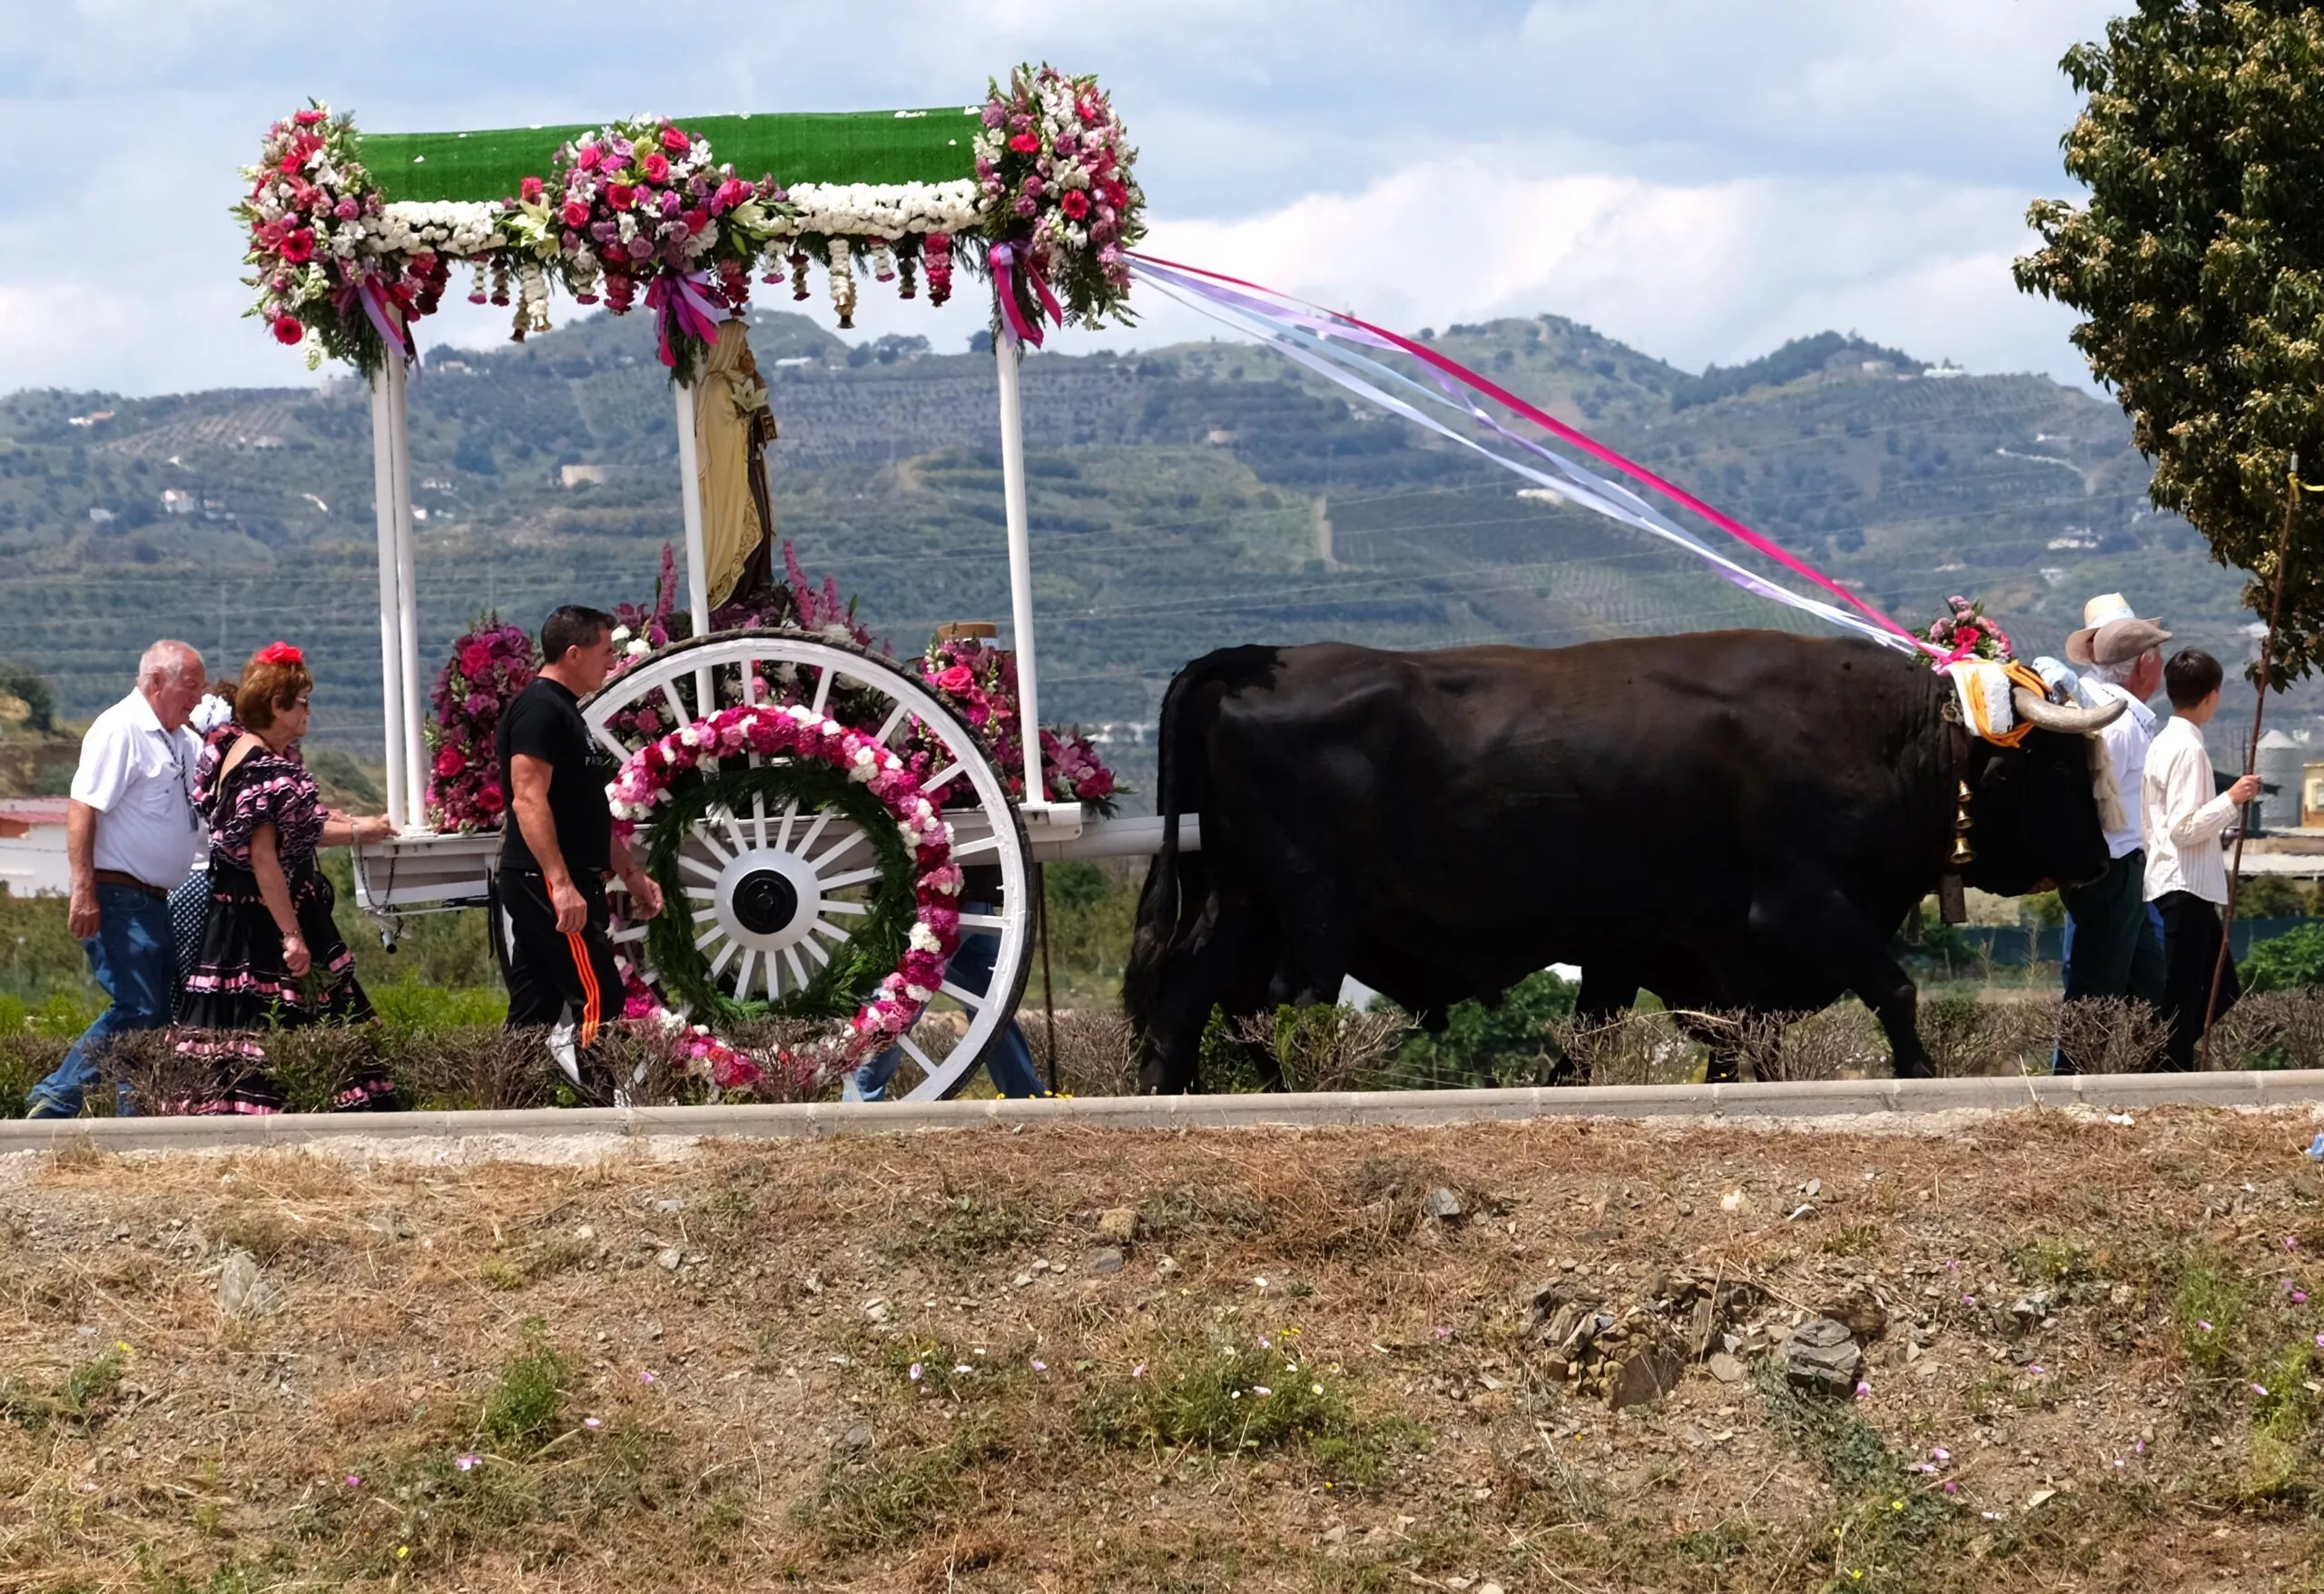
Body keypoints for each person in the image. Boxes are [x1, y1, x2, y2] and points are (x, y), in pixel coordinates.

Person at [174, 643, 398, 1113]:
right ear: (278, 707)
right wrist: (292, 935)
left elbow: (299, 827)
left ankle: (252, 1108)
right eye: (302, 702)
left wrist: (354, 826)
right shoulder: (261, 766)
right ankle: (290, 1107)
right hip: (260, 918)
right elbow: (264, 860)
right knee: (271, 1012)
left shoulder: (239, 749)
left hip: (241, 911)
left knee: (248, 1021)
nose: (308, 711)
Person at [25, 641, 208, 1117]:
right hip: (117, 891)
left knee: (155, 1014)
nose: (196, 697)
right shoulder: (120, 728)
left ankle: (136, 1117)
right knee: (139, 1005)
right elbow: (83, 807)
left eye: (201, 688)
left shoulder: (184, 741)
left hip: (153, 898)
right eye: (189, 686)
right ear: (155, 682)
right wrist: (83, 888)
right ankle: (57, 1095)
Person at [498, 605, 665, 1101]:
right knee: (598, 996)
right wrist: (560, 882)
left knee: (536, 1006)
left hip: (561, 876)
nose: (612, 662)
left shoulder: (566, 710)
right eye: (605, 652)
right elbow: (527, 797)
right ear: (573, 654)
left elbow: (586, 809)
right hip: (547, 879)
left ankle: (507, 1110)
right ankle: (599, 1107)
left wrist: (631, 874)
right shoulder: (541, 709)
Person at [2054, 595, 2171, 1070]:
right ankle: (2069, 1087)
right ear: (2145, 663)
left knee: (2149, 979)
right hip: (2112, 870)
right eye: (2157, 652)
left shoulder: (2107, 709)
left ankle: (2156, 1074)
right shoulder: (2119, 725)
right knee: (2097, 987)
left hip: (2121, 870)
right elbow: (2094, 806)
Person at [2144, 648, 2263, 1070]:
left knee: (2215, 987)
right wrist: (2230, 800)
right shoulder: (2188, 750)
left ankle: (2161, 1061)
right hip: (2184, 884)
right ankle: (2164, 1068)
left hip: (2181, 883)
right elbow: (2183, 828)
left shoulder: (2164, 741)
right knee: (2187, 992)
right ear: (2212, 695)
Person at [846, 868, 1049, 1102]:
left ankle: (1025, 1097)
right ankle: (858, 1101)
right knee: (901, 1003)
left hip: (974, 898)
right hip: (937, 899)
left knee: (993, 1007)